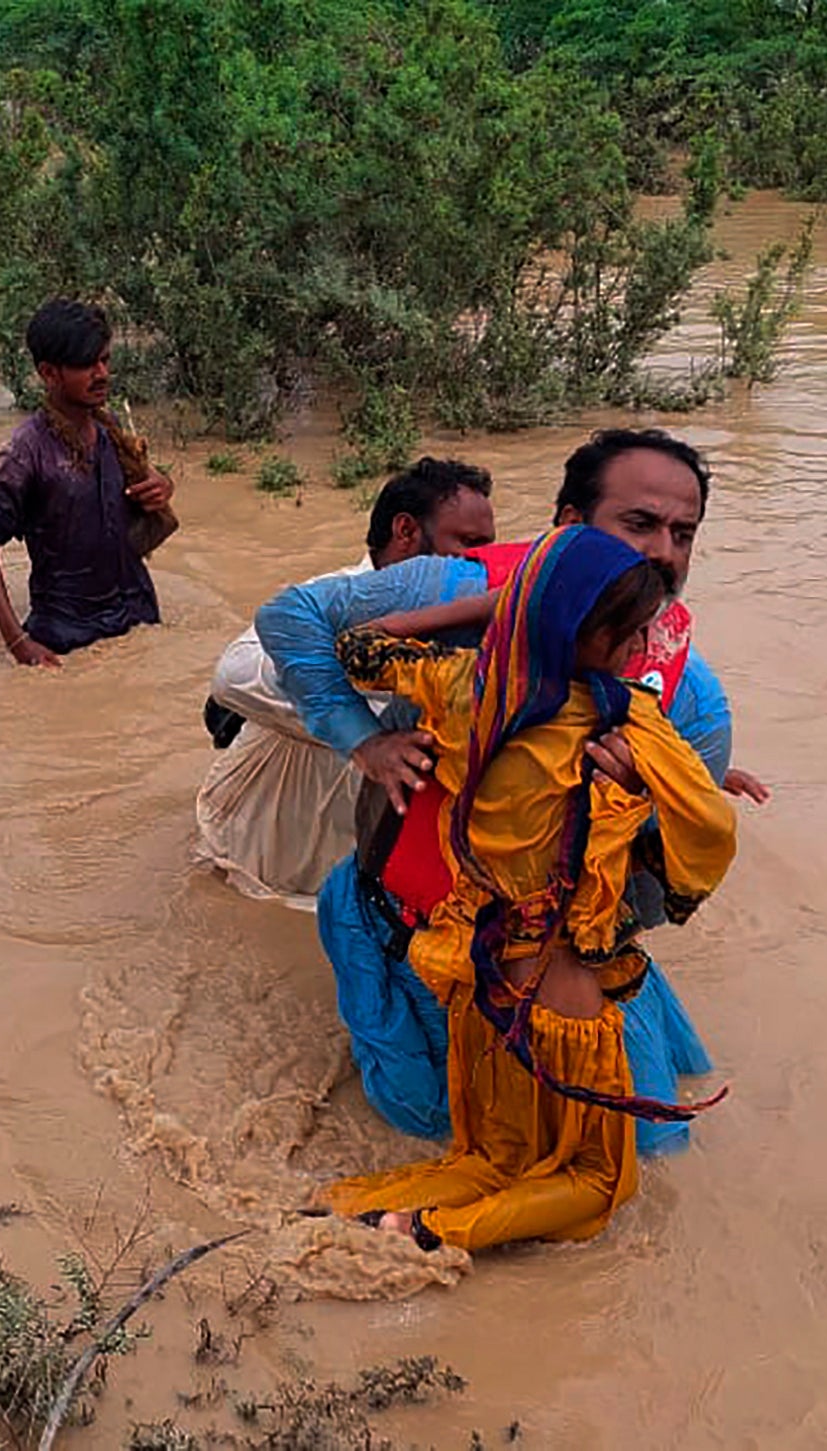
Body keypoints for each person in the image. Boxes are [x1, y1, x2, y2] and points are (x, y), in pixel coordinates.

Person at [257, 428, 763, 1154]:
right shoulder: (449, 588)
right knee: (422, 1120)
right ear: (565, 525)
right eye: (638, 523)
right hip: (405, 919)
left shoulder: (691, 704)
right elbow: (289, 618)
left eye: (683, 534)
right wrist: (360, 739)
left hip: (555, 960)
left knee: (650, 1150)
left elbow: (662, 897)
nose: (662, 554)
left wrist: (628, 812)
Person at [311, 526, 737, 1255]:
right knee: (603, 1182)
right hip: (560, 994)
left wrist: (505, 607)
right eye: (629, 634)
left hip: (479, 981)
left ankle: (345, 1209)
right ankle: (423, 1230)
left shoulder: (462, 689)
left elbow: (360, 644)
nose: (640, 652)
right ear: (585, 633)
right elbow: (710, 833)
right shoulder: (622, 721)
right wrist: (645, 815)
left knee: (493, 1155)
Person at [194, 459, 496, 906]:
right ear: (406, 531)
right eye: (468, 544)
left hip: (368, 865)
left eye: (488, 546)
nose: (481, 561)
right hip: (257, 848)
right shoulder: (328, 601)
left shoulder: (475, 617)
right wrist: (362, 730)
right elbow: (232, 676)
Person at [0, 300, 178, 666]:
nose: (101, 373)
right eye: (86, 365)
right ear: (49, 373)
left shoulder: (110, 427)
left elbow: (145, 484)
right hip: (66, 635)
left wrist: (163, 485)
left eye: (105, 360)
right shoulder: (22, 455)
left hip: (137, 614)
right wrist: (18, 643)